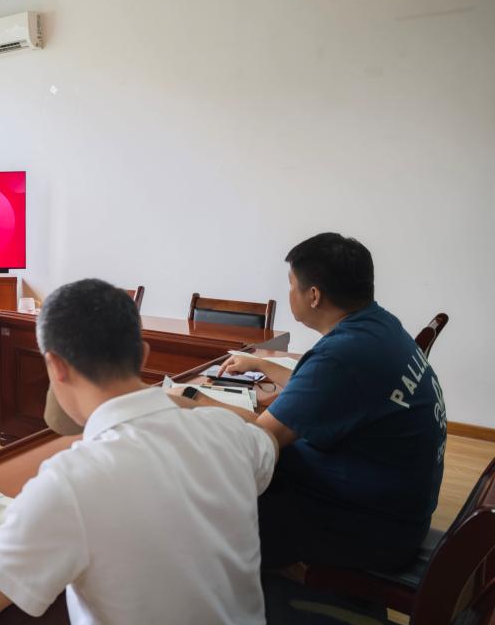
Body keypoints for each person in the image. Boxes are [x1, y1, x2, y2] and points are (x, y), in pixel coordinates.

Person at [0, 279, 278, 625]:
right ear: (144, 355)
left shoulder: (70, 483)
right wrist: (183, 400)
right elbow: (267, 441)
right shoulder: (228, 431)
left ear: (55, 366)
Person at [174, 232, 446, 571]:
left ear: (314, 295)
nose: (289, 292)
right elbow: (328, 388)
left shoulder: (342, 355)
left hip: (371, 530)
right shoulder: (379, 326)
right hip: (394, 506)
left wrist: (190, 396)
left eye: (291, 285)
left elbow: (258, 439)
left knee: (208, 505)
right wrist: (261, 364)